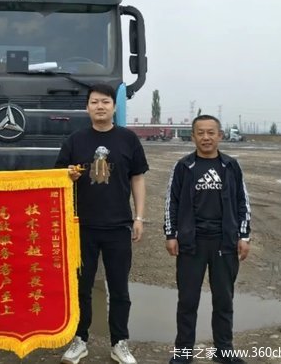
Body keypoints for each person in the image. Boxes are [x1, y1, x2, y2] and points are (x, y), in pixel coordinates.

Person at [55, 83, 148, 364]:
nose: (100, 107)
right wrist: (68, 175)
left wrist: (139, 217)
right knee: (81, 287)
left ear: (114, 107)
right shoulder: (75, 140)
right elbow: (58, 177)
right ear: (87, 107)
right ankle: (79, 339)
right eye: (94, 102)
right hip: (82, 226)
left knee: (119, 289)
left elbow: (137, 178)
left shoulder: (128, 140)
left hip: (118, 226)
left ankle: (119, 342)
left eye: (105, 102)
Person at [164, 114, 251, 364]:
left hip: (225, 243)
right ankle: (183, 353)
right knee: (187, 301)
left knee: (224, 300)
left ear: (219, 136)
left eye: (211, 132)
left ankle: (224, 351)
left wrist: (244, 235)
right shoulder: (184, 167)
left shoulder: (231, 166)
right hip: (191, 244)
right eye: (200, 133)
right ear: (192, 137)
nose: (206, 137)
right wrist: (171, 234)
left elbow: (242, 202)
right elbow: (171, 202)